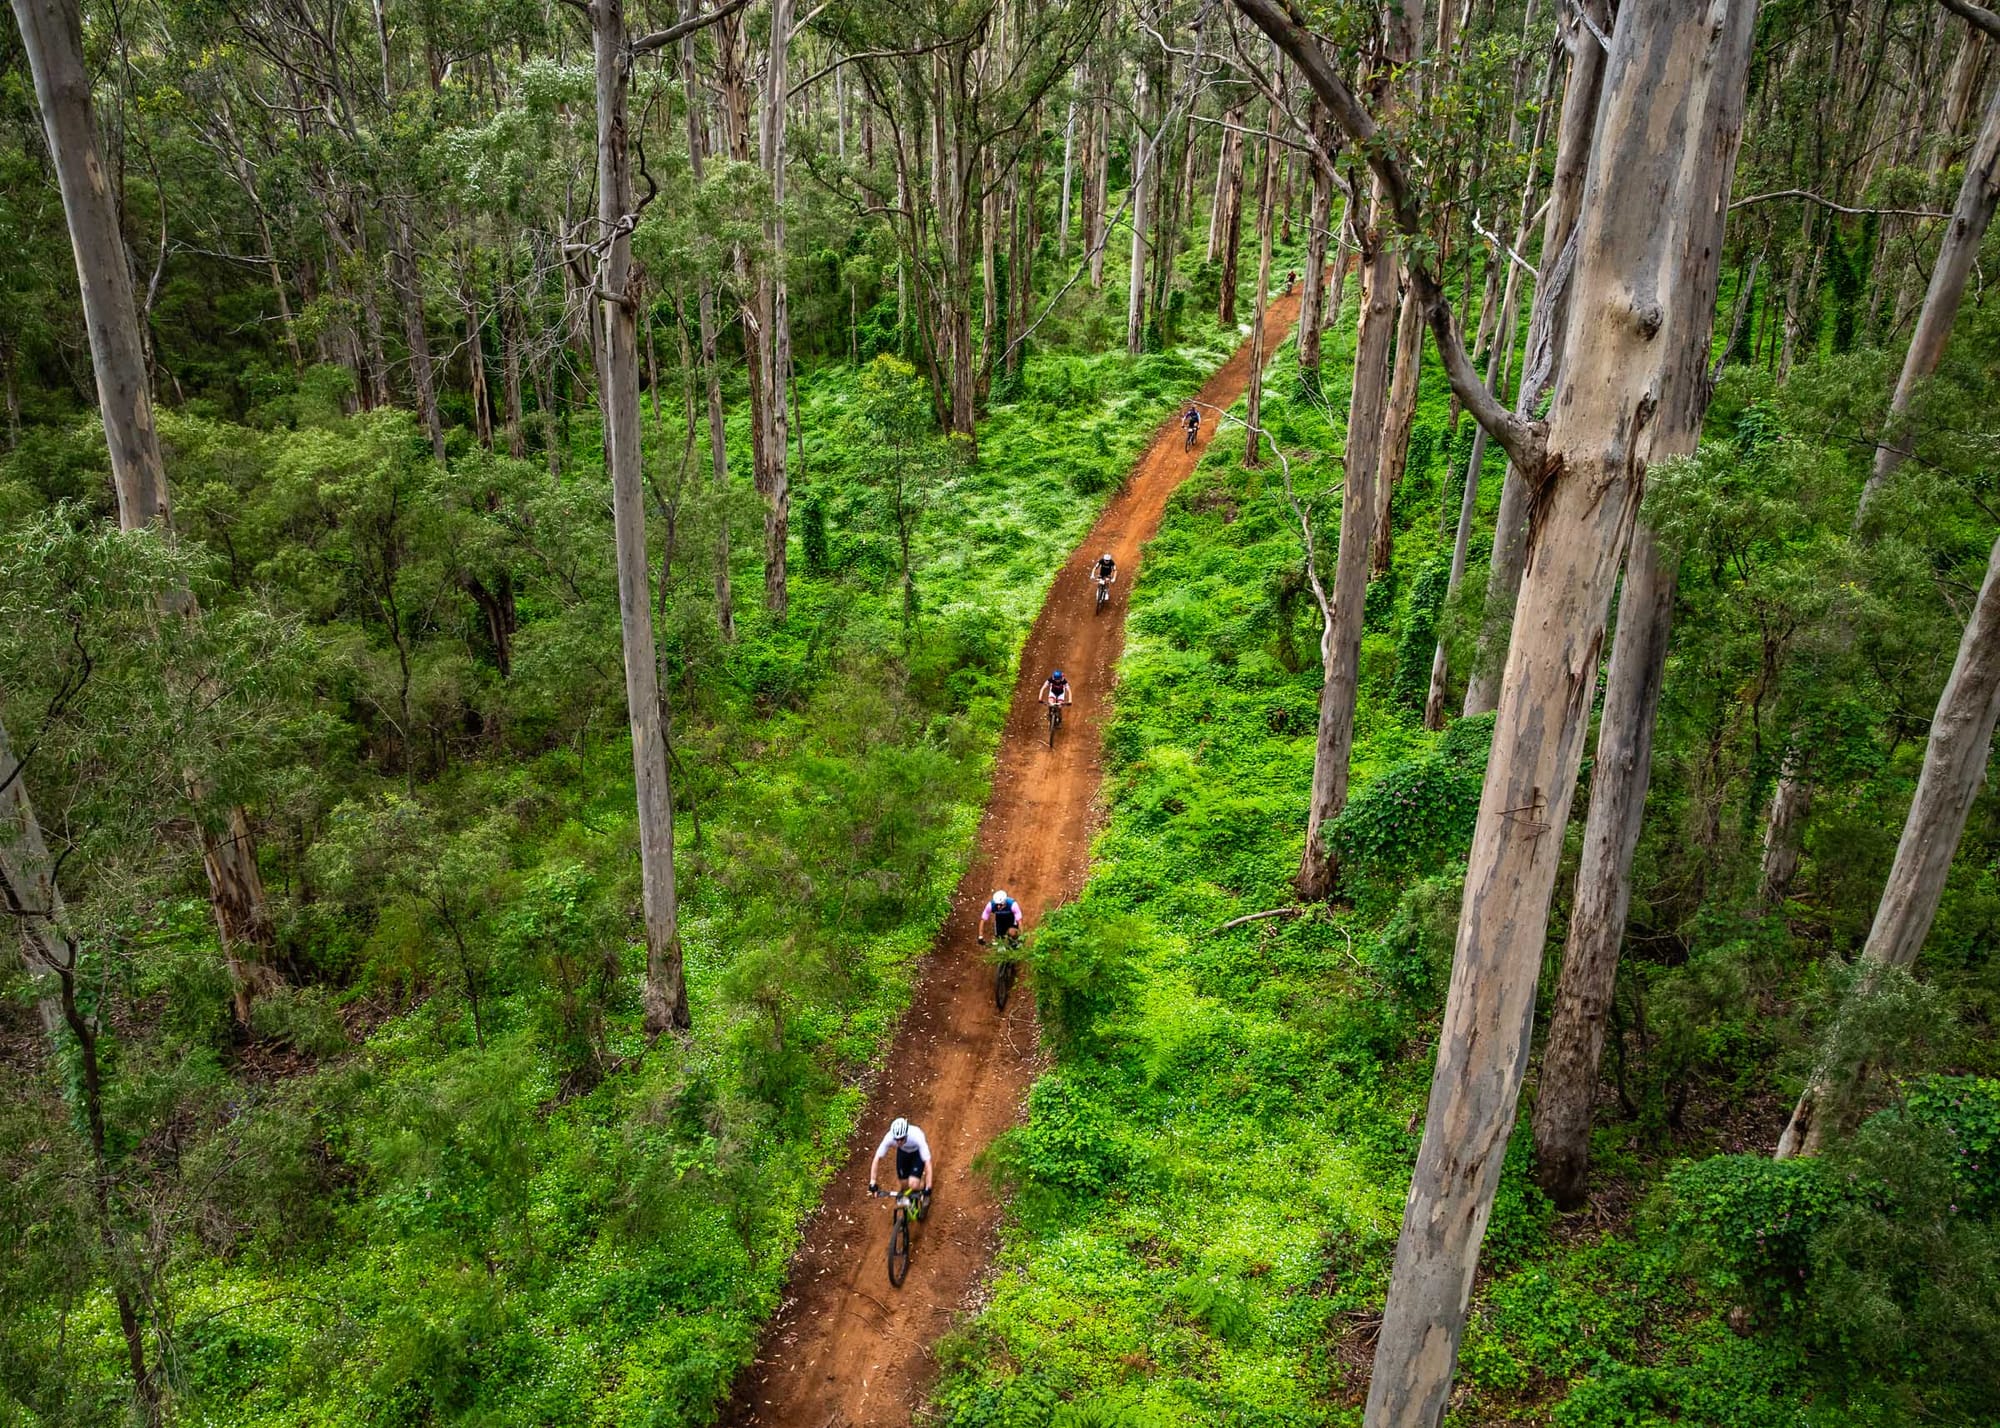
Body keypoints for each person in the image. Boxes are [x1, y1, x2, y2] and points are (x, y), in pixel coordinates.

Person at [869, 1116, 932, 1211]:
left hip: (917, 1154)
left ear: (906, 1134)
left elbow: (928, 1162)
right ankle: (908, 1197)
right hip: (903, 1153)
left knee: (913, 1184)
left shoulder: (917, 1136)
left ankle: (922, 1186)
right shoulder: (889, 1137)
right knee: (904, 1184)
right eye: (896, 1139)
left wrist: (928, 1188)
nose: (899, 1142)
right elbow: (877, 1158)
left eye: (902, 1139)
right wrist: (872, 1182)